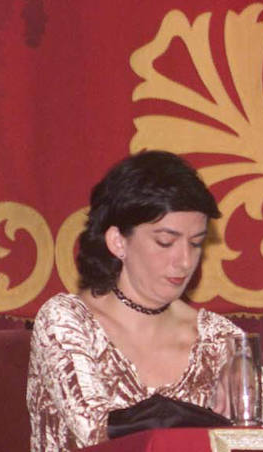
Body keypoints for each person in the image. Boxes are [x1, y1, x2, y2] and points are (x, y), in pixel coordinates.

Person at [27, 151, 242, 452]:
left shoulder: (219, 338)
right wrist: (195, 419)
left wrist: (253, 405)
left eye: (195, 243)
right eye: (165, 242)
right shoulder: (67, 320)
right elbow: (92, 429)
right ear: (117, 242)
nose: (184, 261)